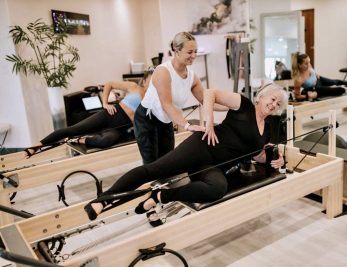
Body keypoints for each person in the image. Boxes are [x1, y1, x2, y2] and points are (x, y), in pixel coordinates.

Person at [84, 84, 288, 221]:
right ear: (261, 96)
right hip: (201, 147)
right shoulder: (243, 105)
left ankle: (163, 195)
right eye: (272, 99)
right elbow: (210, 93)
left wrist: (273, 159)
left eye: (278, 104)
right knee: (154, 170)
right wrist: (208, 123)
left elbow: (256, 155)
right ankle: (102, 200)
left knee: (217, 189)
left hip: (212, 167)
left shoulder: (267, 130)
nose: (273, 105)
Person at [134, 32, 225, 164]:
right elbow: (167, 105)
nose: (194, 56)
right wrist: (187, 125)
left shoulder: (192, 77)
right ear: (177, 51)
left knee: (167, 160)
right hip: (146, 119)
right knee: (151, 163)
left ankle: (165, 183)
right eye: (189, 52)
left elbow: (207, 102)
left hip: (165, 120)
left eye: (195, 51)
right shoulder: (163, 72)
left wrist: (231, 106)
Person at [24, 69, 154, 157]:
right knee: (73, 129)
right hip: (110, 115)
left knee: (106, 141)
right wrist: (105, 103)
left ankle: (79, 140)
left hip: (121, 128)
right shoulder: (133, 87)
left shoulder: (153, 99)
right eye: (150, 80)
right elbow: (109, 84)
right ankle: (35, 147)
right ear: (144, 80)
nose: (152, 83)